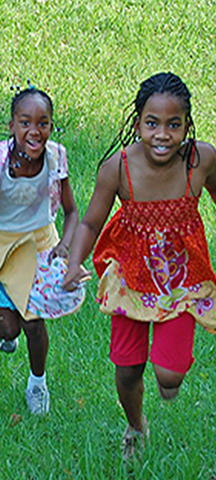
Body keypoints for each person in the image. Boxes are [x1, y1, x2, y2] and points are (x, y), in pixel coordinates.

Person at [63, 72, 216, 460]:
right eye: (152, 123)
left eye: (173, 124)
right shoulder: (118, 168)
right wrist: (74, 263)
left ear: (187, 125)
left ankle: (166, 382)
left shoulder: (202, 160)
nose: (162, 134)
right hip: (130, 275)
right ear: (137, 124)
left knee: (169, 379)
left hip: (181, 279)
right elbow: (90, 223)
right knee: (128, 369)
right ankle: (135, 425)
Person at [0, 87, 84, 415]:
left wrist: (64, 245)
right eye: (25, 122)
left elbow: (72, 212)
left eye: (43, 123)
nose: (34, 131)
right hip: (0, 252)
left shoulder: (55, 157)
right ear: (11, 126)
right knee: (9, 330)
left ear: (51, 127)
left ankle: (37, 383)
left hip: (39, 249)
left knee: (34, 325)